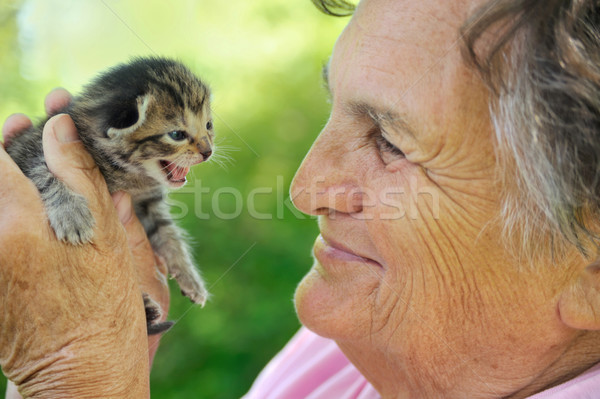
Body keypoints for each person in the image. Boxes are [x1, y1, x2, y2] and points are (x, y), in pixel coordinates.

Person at [2, 0, 600, 397]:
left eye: (389, 140)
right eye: (331, 105)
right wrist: (118, 352)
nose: (303, 188)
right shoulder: (357, 341)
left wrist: (74, 373)